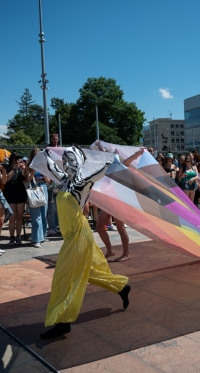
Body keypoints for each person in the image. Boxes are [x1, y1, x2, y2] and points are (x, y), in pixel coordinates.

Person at [39, 145, 130, 339]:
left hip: (78, 237)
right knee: (88, 273)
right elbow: (51, 167)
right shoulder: (63, 180)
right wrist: (46, 155)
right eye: (65, 161)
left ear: (80, 162)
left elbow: (98, 173)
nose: (67, 164)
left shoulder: (82, 183)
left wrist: (110, 161)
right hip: (73, 236)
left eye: (72, 160)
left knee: (64, 276)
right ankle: (121, 287)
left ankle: (63, 322)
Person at [25, 148, 49, 248]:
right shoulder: (28, 166)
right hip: (33, 189)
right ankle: (36, 239)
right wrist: (34, 169)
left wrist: (43, 171)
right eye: (35, 155)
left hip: (43, 189)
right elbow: (28, 178)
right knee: (36, 216)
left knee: (43, 215)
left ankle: (43, 236)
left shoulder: (44, 165)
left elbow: (47, 180)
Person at [3, 152, 27, 246]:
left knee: (19, 216)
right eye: (15, 159)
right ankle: (12, 237)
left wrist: (23, 170)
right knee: (12, 218)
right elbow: (7, 179)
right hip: (10, 194)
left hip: (20, 194)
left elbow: (24, 181)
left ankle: (18, 236)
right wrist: (14, 168)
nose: (17, 161)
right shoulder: (7, 167)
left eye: (18, 159)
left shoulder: (20, 168)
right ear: (11, 159)